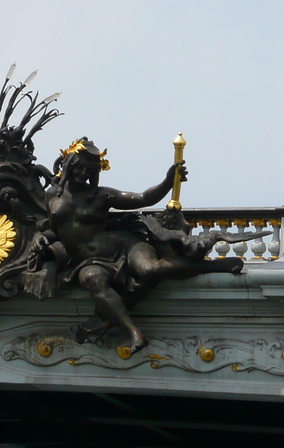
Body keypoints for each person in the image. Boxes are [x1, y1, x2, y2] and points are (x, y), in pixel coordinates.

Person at [41, 138, 242, 354]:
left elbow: (144, 198)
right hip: (89, 262)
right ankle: (135, 334)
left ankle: (215, 266)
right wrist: (42, 237)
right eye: (78, 167)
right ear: (68, 165)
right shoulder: (53, 195)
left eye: (88, 170)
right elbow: (56, 229)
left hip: (124, 247)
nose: (82, 173)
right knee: (92, 279)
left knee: (150, 269)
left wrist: (168, 181)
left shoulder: (100, 196)